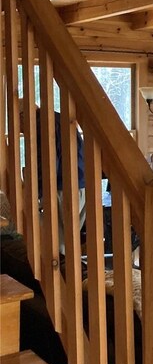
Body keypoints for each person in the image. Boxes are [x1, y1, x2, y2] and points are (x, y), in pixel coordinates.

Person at [18, 100, 86, 255]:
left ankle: (60, 278)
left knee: (57, 242)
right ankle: (69, 276)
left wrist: (36, 194)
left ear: (22, 116)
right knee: (67, 239)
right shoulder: (56, 118)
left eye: (19, 126)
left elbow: (47, 163)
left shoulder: (42, 125)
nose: (21, 131)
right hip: (79, 185)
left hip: (63, 188)